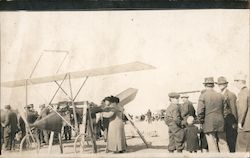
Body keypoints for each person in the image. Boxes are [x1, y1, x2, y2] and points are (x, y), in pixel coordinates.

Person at [197, 77, 229, 152]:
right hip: (221, 122)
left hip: (209, 122)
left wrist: (202, 121)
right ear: (213, 85)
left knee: (212, 144)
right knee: (223, 143)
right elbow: (225, 111)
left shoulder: (203, 96)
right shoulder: (221, 95)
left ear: (205, 85)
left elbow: (200, 111)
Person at [216, 76, 238, 152]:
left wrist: (234, 122)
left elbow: (234, 110)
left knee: (231, 140)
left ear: (226, 84)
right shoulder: (219, 94)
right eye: (219, 84)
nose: (220, 85)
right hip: (222, 121)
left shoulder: (231, 95)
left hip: (230, 121)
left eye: (222, 84)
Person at [234, 73, 250, 152]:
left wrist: (240, 122)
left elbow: (242, 108)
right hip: (248, 126)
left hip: (245, 126)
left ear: (240, 82)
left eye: (235, 81)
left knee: (241, 149)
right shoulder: (248, 91)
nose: (235, 83)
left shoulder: (243, 92)